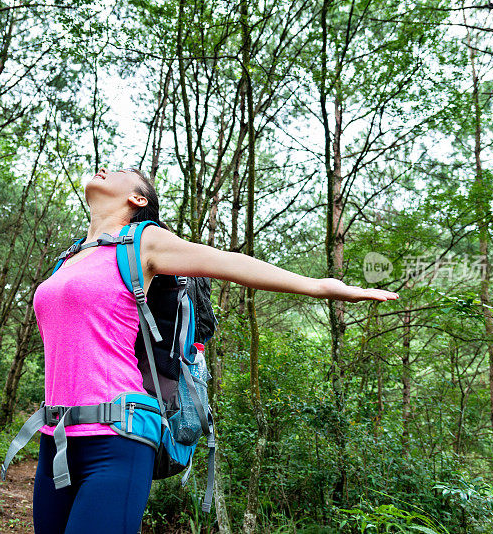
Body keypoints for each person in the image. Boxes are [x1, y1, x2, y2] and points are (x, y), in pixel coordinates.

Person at [31, 167, 398, 534]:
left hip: (117, 435)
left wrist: (320, 286)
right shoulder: (69, 257)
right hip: (56, 435)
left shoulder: (143, 240)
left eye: (123, 172)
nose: (106, 169)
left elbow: (229, 262)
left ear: (138, 199)